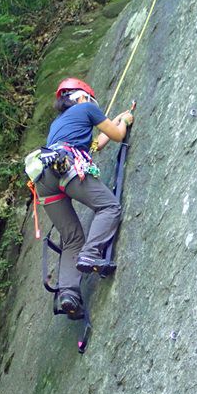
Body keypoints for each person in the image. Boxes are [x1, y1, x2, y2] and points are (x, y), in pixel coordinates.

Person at [34, 77, 134, 320]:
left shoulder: (58, 124)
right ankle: (91, 254)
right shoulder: (87, 108)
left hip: (44, 178)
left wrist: (116, 120)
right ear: (81, 97)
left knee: (71, 239)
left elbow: (95, 145)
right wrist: (125, 122)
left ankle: (68, 295)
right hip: (67, 166)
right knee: (109, 207)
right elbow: (118, 135)